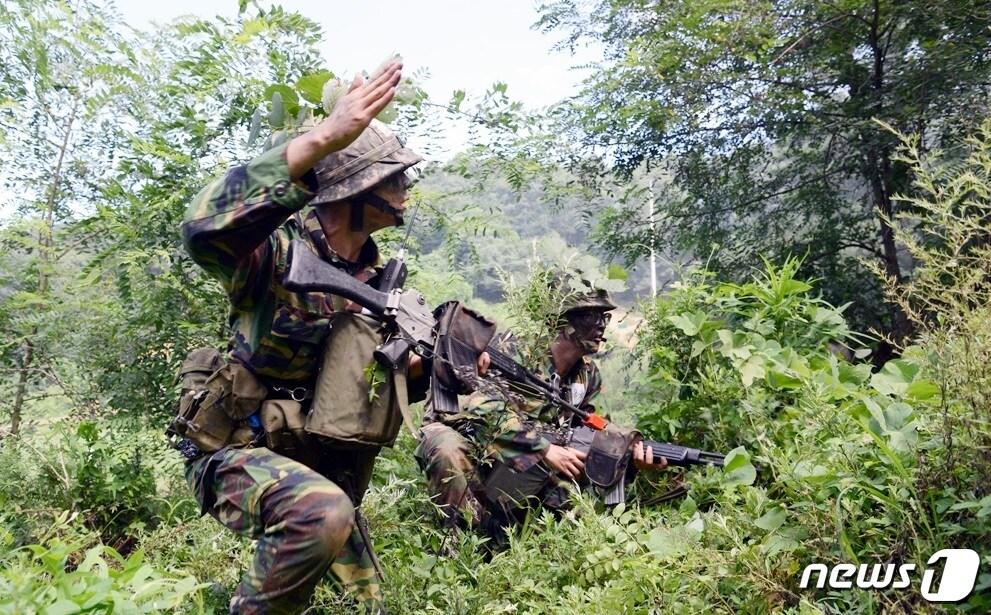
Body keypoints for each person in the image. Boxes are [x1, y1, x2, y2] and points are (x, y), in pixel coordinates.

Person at [177, 59, 417, 614]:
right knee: (321, 514)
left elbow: (374, 385)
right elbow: (201, 228)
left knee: (366, 602)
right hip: (235, 450)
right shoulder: (274, 255)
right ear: (354, 189)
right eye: (392, 175)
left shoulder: (379, 282)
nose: (405, 186)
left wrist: (426, 369)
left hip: (318, 462)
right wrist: (324, 139)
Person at [415, 277, 665, 539]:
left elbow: (582, 427)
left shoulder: (588, 375)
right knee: (447, 449)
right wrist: (543, 450)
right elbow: (481, 407)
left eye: (605, 317)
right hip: (471, 434)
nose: (601, 325)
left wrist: (630, 455)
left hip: (525, 451)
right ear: (562, 321)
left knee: (576, 463)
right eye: (592, 316)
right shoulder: (514, 350)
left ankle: (525, 542)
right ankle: (455, 545)